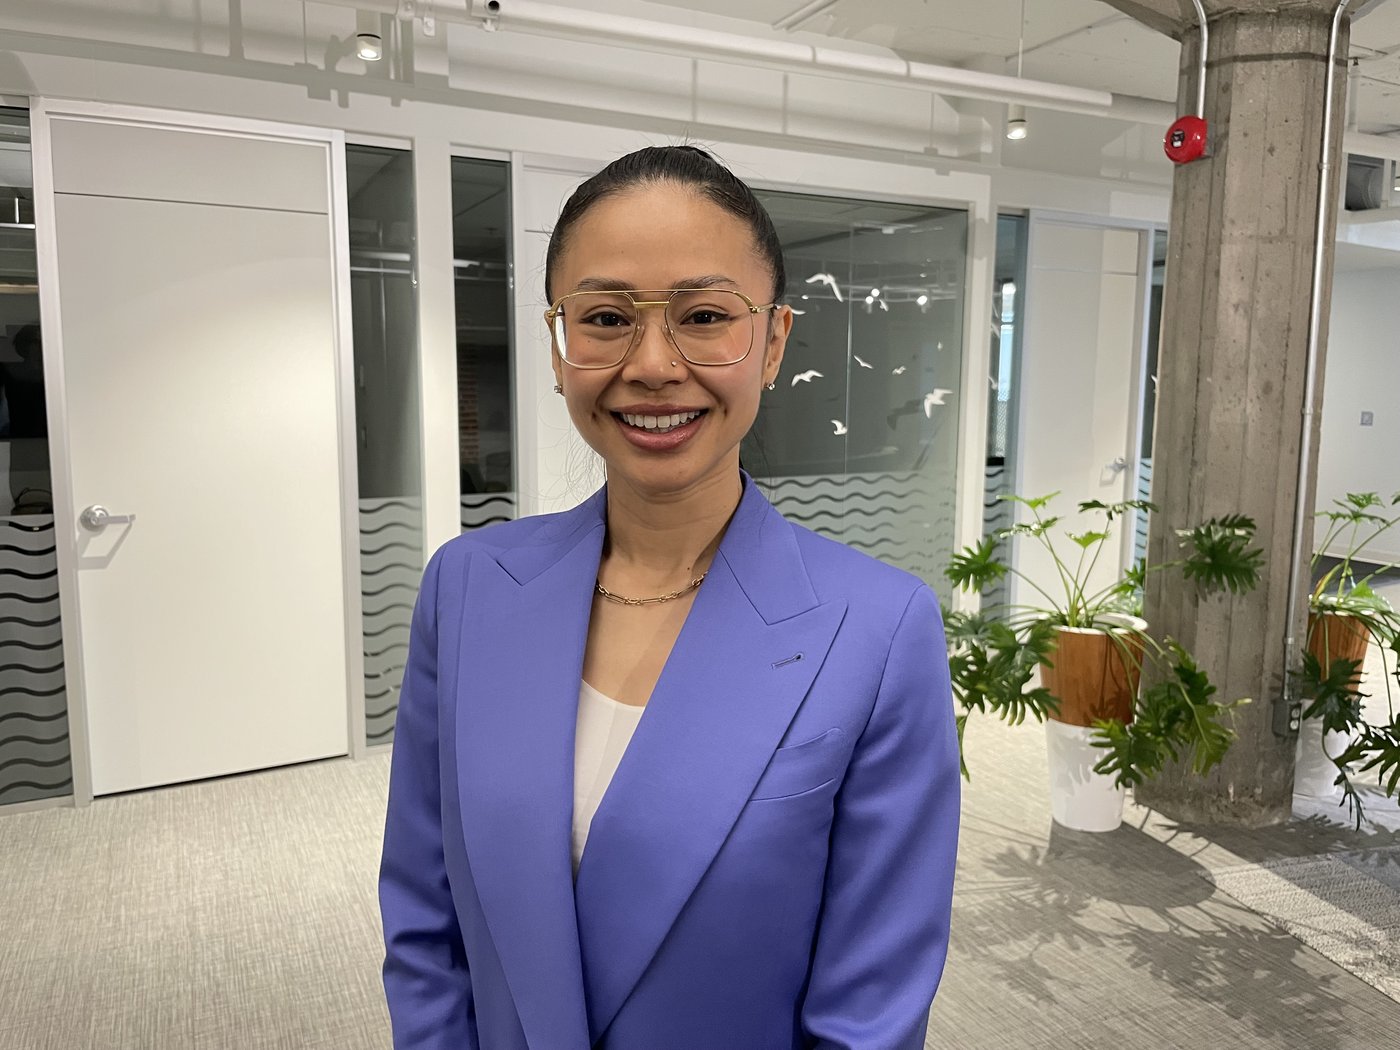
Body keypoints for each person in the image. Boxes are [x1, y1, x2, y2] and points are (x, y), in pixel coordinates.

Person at [379, 145, 961, 1050]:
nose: (652, 364)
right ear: (559, 345)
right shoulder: (467, 588)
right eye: (607, 318)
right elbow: (426, 918)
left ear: (773, 343)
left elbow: (870, 1013)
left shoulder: (880, 630)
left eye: (705, 316)